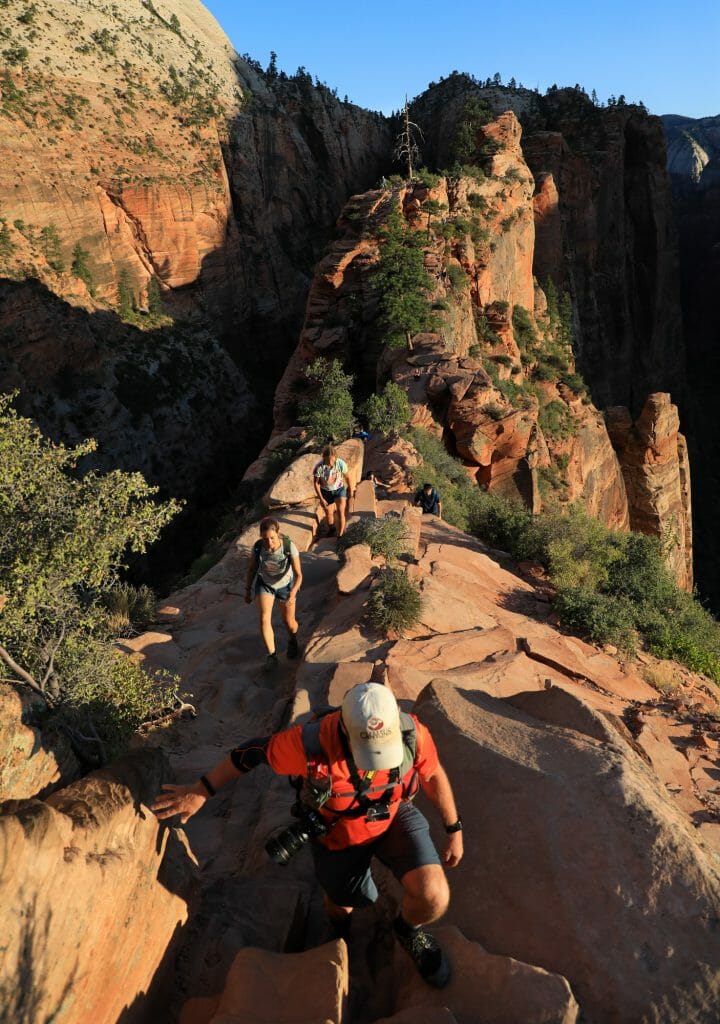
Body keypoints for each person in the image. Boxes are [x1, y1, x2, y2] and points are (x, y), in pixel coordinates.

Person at [152, 682, 463, 989]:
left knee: (434, 895)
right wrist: (203, 790)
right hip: (339, 832)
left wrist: (453, 828)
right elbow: (249, 753)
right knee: (344, 901)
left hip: (393, 814)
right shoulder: (310, 745)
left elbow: (432, 772)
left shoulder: (412, 732)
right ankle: (340, 928)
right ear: (345, 730)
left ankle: (408, 930)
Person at [245, 516, 302, 672]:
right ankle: (272, 655)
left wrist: (293, 593)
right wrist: (248, 589)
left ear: (278, 533)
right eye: (265, 539)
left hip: (285, 586)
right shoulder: (258, 547)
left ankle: (293, 640)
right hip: (265, 584)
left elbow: (299, 575)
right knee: (264, 618)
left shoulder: (289, 547)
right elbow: (252, 569)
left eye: (272, 538)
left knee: (289, 621)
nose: (269, 542)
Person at [313, 445, 355, 538]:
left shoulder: (340, 463)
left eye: (332, 460)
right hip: (325, 492)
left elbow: (347, 477)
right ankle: (331, 528)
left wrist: (351, 491)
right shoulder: (319, 467)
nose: (331, 463)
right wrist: (321, 498)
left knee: (340, 512)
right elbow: (316, 483)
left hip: (339, 490)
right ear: (324, 457)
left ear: (336, 458)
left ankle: (340, 535)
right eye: (328, 460)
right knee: (329, 513)